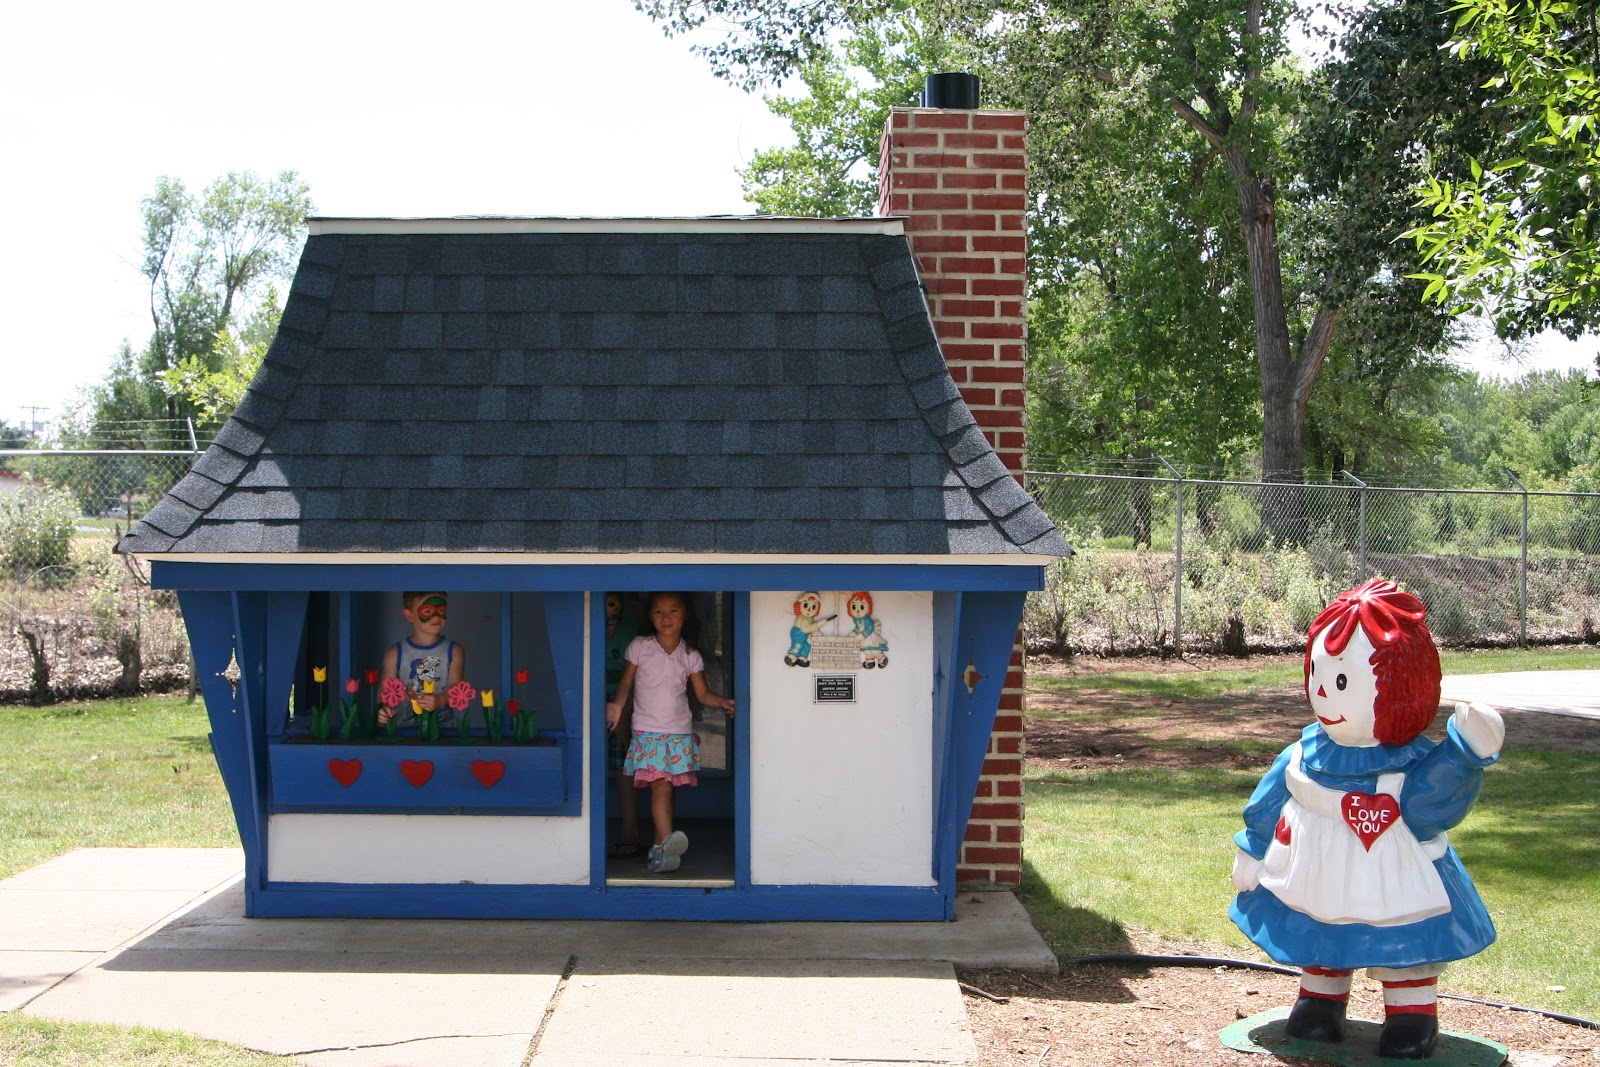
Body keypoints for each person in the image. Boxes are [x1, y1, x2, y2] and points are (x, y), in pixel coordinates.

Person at [1230, 579, 1503, 1060]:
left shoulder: (1408, 764)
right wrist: (1253, 848)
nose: (1323, 691)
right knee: (1316, 926)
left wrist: (1464, 756)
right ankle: (1320, 1000)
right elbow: (1269, 799)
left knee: (1403, 933)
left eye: (1341, 682)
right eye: (1318, 673)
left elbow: (1429, 807)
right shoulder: (1305, 753)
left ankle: (1411, 1013)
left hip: (1390, 867)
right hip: (1312, 863)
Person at [605, 591, 735, 873]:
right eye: (658, 612)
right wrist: (616, 706)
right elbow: (625, 683)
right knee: (661, 787)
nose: (666, 617)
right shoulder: (639, 647)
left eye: (673, 611)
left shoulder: (690, 655)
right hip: (648, 731)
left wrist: (724, 702)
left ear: (685, 616)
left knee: (667, 789)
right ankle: (665, 843)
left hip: (678, 732)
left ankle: (660, 851)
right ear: (650, 617)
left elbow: (703, 694)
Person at [378, 592, 467, 730]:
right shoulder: (394, 653)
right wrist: (385, 709)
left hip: (443, 731)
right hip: (403, 731)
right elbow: (386, 689)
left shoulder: (455, 650)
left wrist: (439, 701)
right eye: (427, 611)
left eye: (441, 610)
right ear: (409, 615)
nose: (436, 616)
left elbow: (455, 688)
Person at [604, 593, 643, 857]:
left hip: (626, 699)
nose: (610, 625)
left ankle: (630, 829)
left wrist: (624, 714)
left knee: (623, 763)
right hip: (589, 694)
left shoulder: (631, 631)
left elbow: (634, 677)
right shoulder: (585, 621)